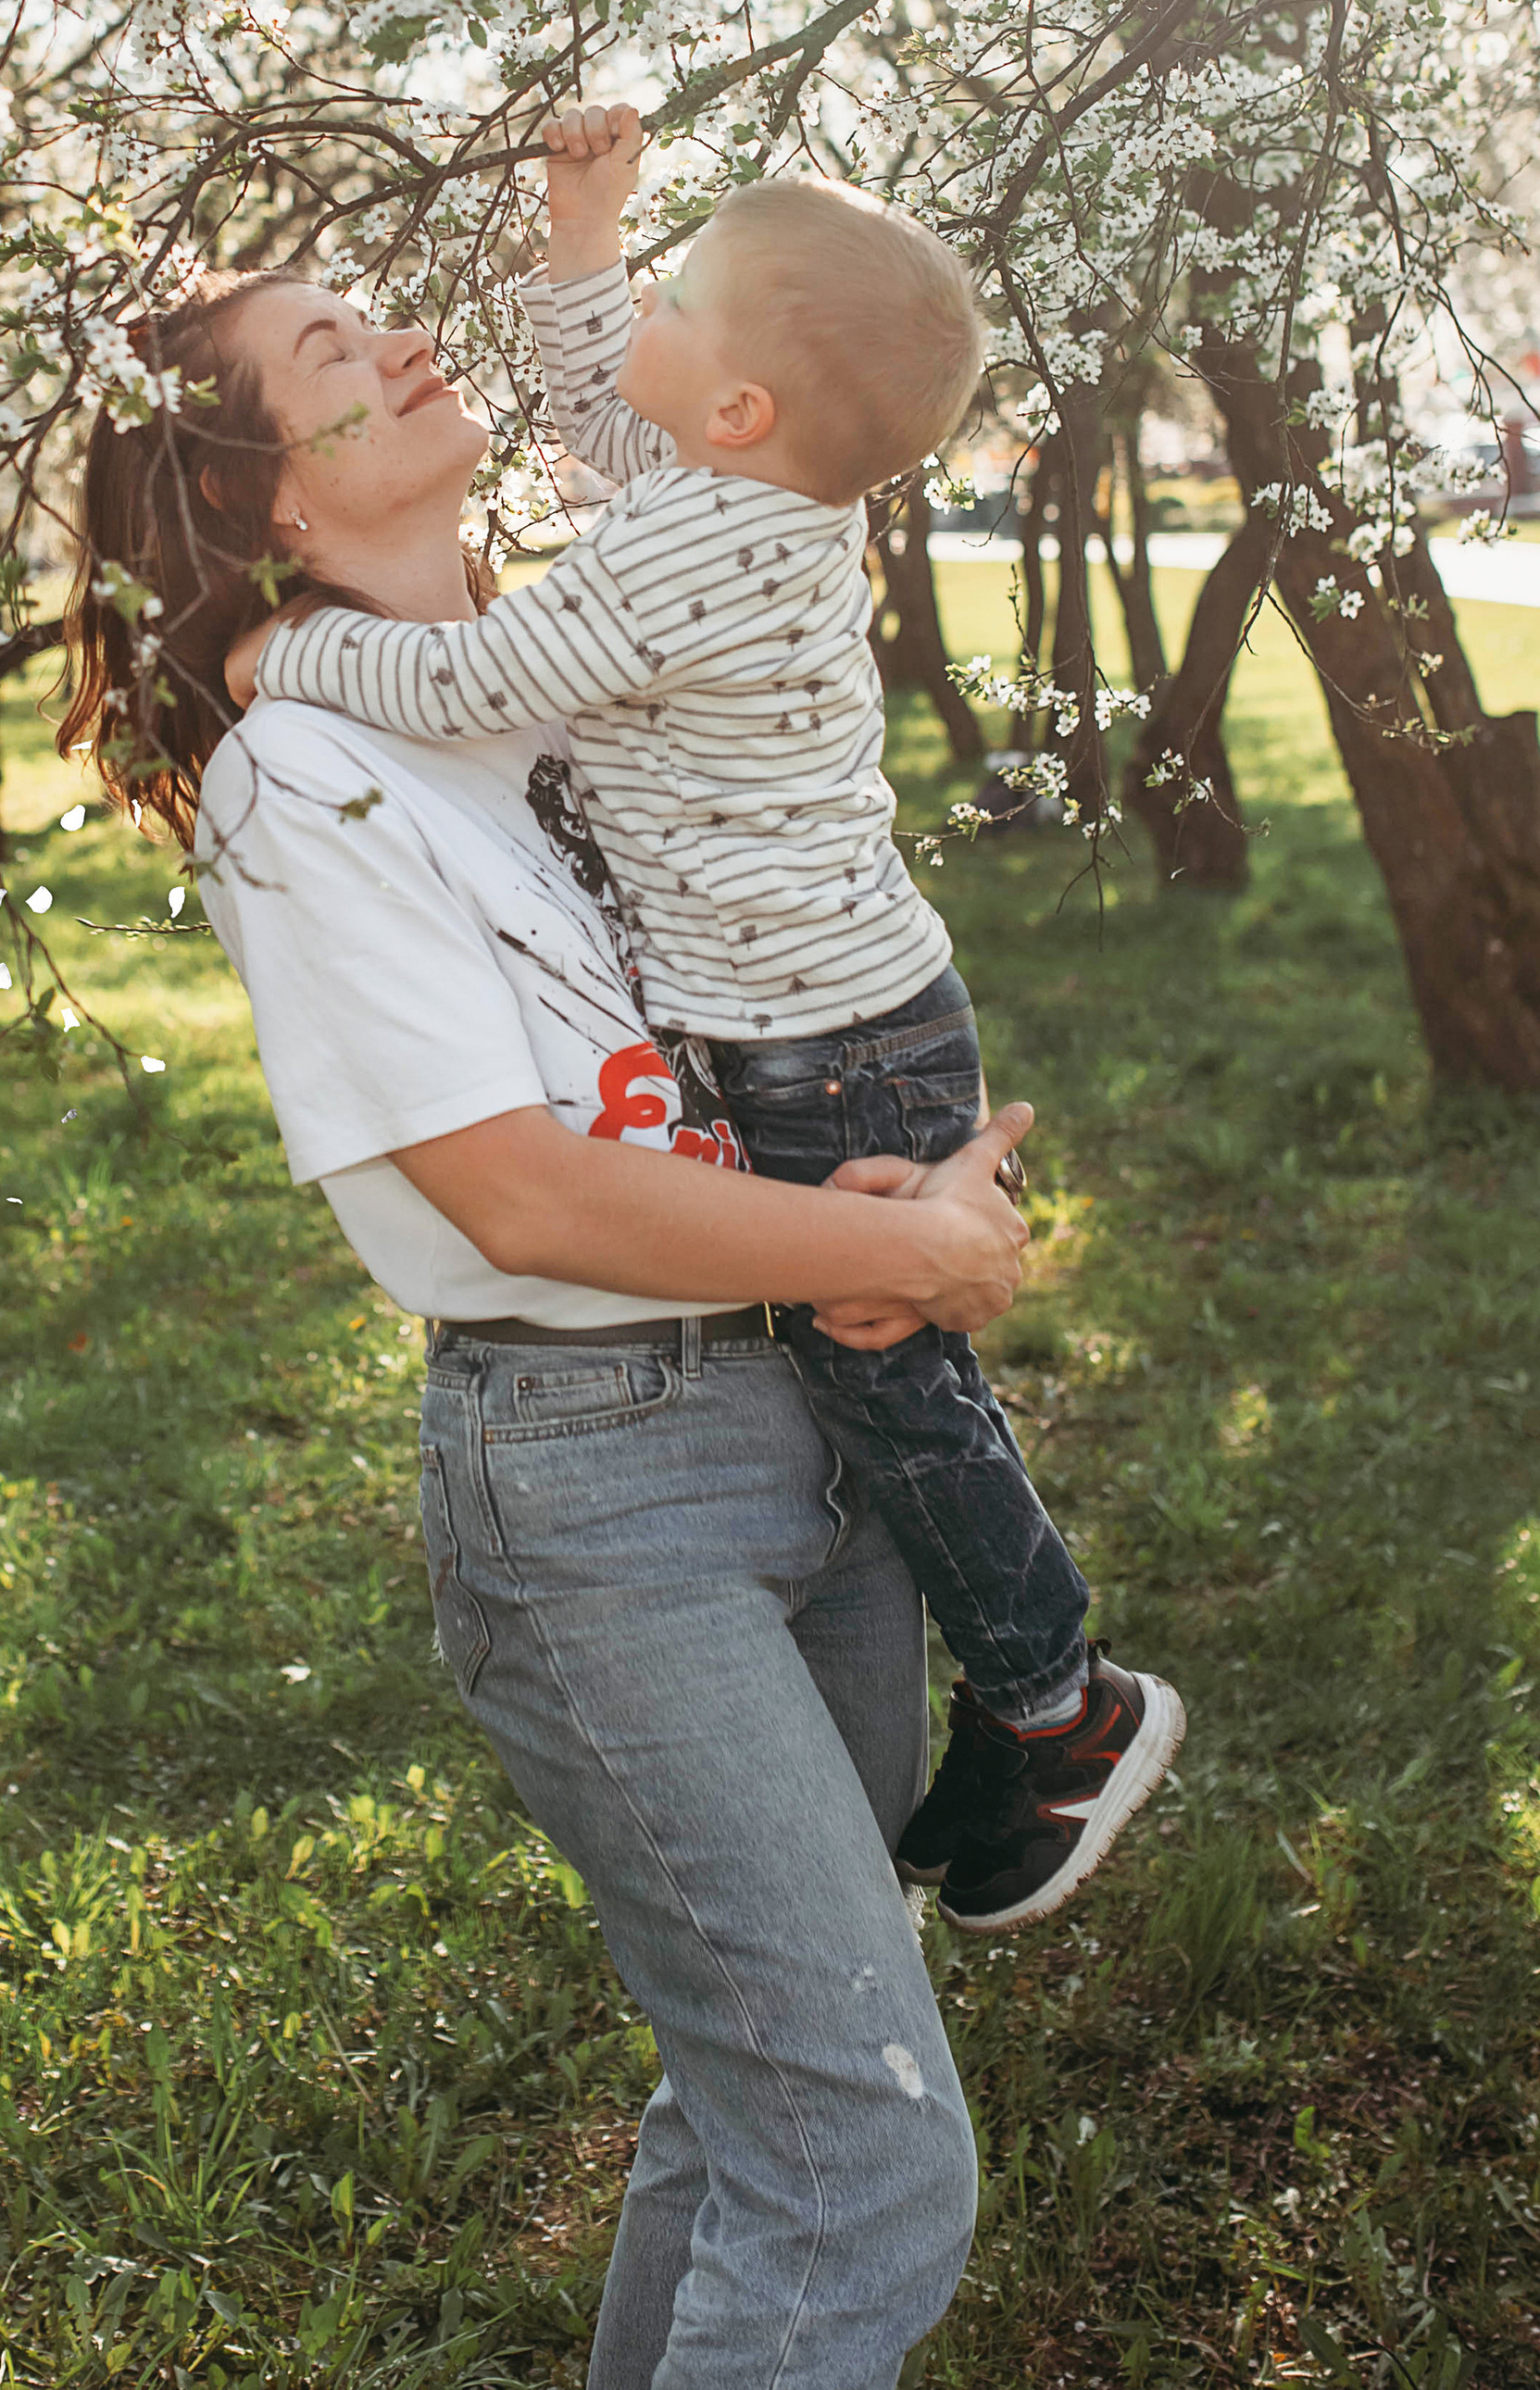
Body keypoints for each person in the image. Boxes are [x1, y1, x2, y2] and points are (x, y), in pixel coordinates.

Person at [60, 265, 1038, 2389]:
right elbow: (513, 1191)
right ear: (257, 496)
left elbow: (717, 1042)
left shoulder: (557, 675)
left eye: (380, 317)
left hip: (814, 1415)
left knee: (757, 2107)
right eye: (330, 357)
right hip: (606, 1490)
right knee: (865, 2166)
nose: (402, 341)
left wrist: (877, 1199)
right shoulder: (304, 774)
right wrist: (892, 1261)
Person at [231, 107, 1184, 1932]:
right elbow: (604, 406)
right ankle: (1039, 1693)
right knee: (884, 1345)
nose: (637, 326)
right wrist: (585, 237)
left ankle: (1056, 1699)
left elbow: (477, 674)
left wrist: (289, 651)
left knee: (890, 1367)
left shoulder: (692, 551)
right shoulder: (724, 487)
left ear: (736, 409)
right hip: (830, 1012)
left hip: (824, 1037)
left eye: (672, 302)